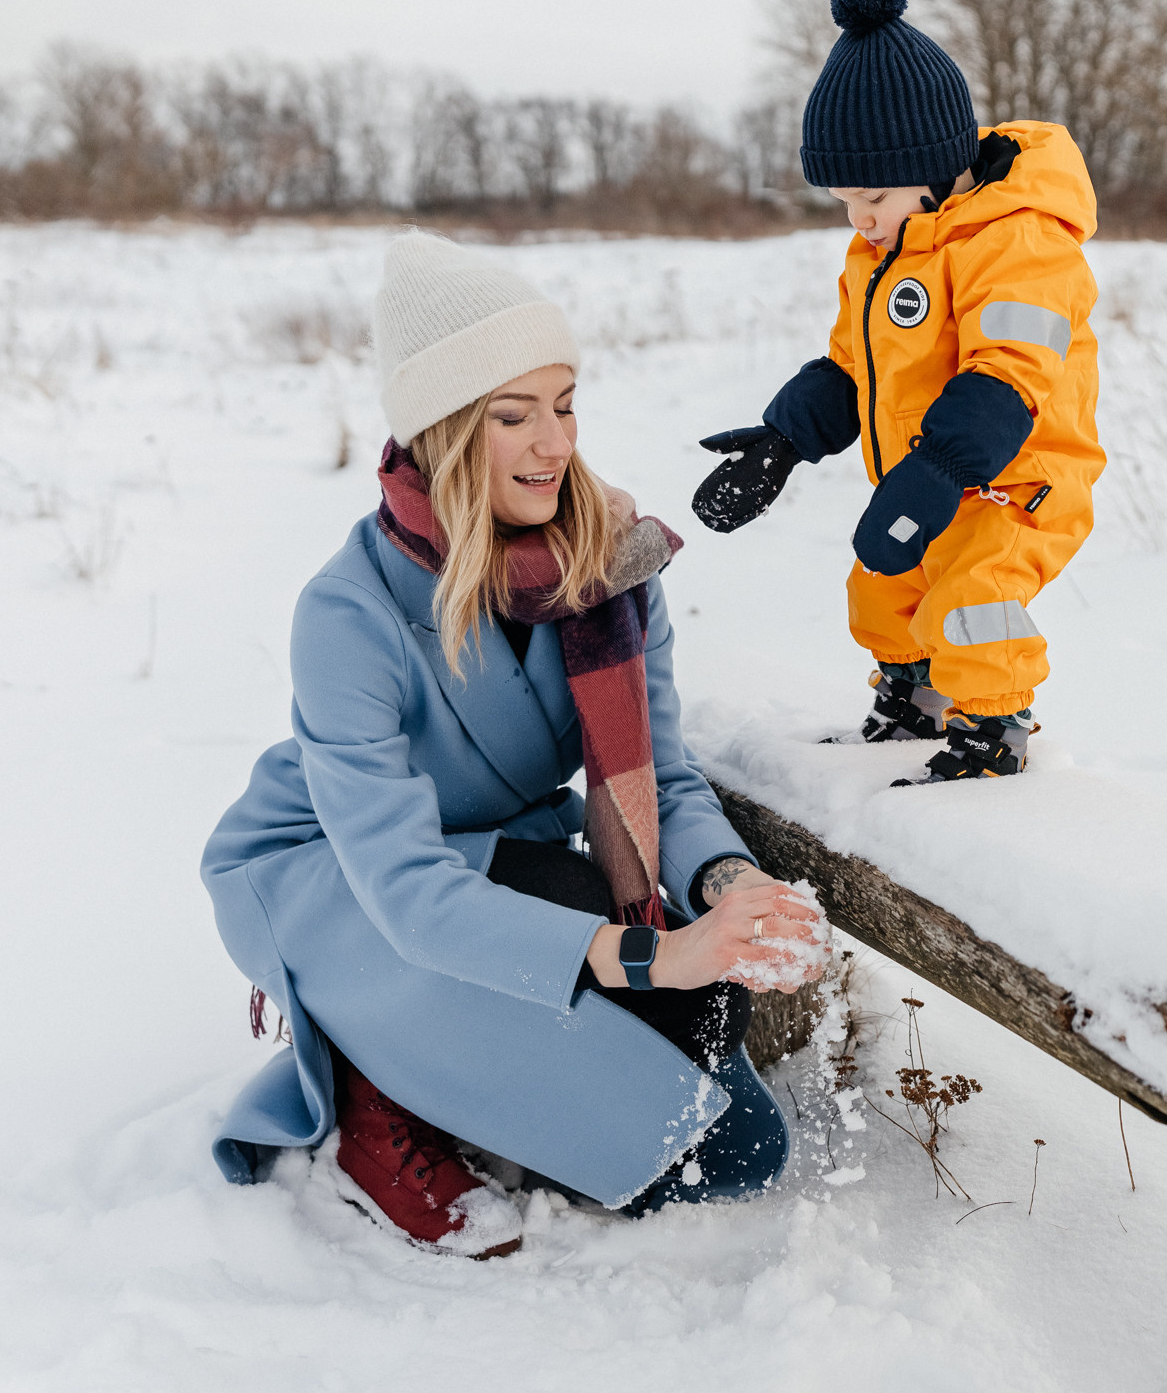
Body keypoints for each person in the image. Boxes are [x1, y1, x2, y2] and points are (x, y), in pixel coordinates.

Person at [201, 230, 820, 1258]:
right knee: (706, 1145)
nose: (553, 445)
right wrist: (649, 955)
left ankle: (452, 1063)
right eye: (512, 415)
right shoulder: (347, 612)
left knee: (731, 1118)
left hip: (501, 856)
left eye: (565, 404)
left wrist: (729, 885)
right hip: (338, 881)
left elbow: (657, 774)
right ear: (443, 429)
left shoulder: (608, 567)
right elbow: (406, 894)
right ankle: (374, 1082)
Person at [692, 0, 1102, 785]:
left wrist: (943, 468)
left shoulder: (1019, 242)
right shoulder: (883, 252)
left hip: (1014, 482)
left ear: (935, 164)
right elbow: (852, 365)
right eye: (844, 202)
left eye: (872, 196)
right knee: (883, 587)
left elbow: (1009, 377)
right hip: (931, 475)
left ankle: (992, 737)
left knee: (972, 598)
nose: (859, 219)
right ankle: (914, 703)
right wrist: (783, 440)